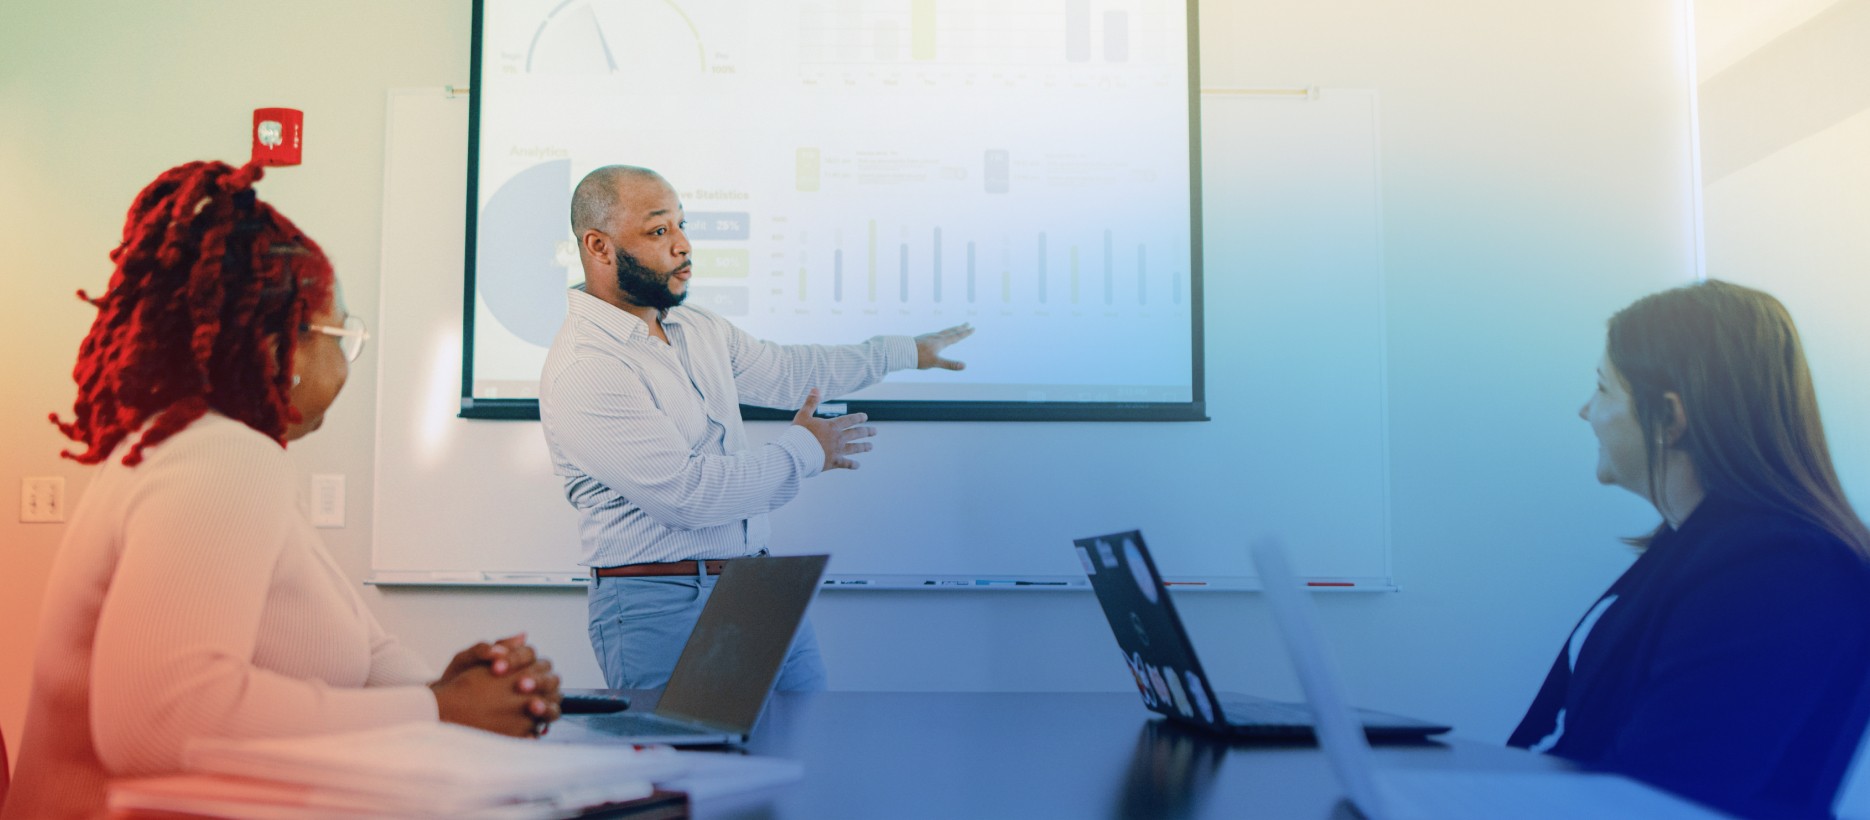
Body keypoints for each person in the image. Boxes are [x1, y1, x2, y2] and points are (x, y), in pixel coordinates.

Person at [4, 160, 563, 820]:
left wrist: (449, 688)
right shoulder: (219, 458)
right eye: (343, 336)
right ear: (280, 347)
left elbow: (343, 656)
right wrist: (438, 709)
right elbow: (162, 720)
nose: (347, 362)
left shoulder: (211, 452)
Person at [540, 165, 974, 690]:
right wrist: (805, 451)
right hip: (660, 605)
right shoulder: (587, 365)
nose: (682, 246)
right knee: (688, 770)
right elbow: (688, 495)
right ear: (599, 247)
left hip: (757, 590)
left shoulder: (694, 326)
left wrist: (904, 353)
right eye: (659, 231)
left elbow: (790, 373)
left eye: (682, 225)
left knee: (806, 752)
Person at [1510, 280, 1870, 818]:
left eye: (1604, 389)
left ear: (1670, 419)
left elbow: (1666, 793)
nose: (1586, 411)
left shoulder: (1783, 572)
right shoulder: (1697, 548)